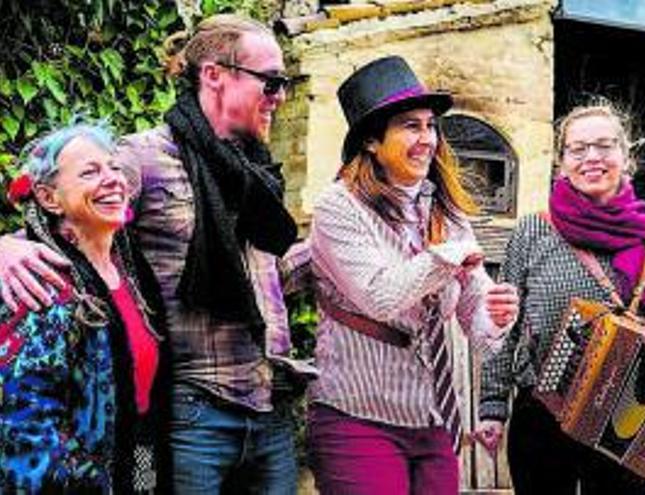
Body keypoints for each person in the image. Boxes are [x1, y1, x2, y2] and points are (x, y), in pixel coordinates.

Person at [0, 14, 306, 494]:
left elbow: (264, 277)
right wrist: (3, 248)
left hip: (267, 408)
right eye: (270, 82)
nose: (280, 96)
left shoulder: (257, 174)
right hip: (196, 414)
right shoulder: (142, 159)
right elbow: (65, 216)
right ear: (214, 75)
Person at [475, 104, 645, 494]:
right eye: (578, 150)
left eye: (604, 146)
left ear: (625, 157)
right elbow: (503, 325)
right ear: (561, 163)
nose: (592, 158)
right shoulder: (533, 232)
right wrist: (492, 406)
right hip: (542, 415)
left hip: (626, 425)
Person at [306, 55, 519, 495]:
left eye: (430, 126)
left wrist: (494, 315)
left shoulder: (441, 206)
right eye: (410, 126)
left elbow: (473, 316)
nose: (427, 139)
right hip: (357, 417)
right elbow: (381, 296)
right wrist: (447, 257)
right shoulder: (338, 208)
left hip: (431, 417)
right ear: (370, 141)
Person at [0, 123, 170, 493]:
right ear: (49, 198)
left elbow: (143, 409)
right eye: (90, 172)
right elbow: (26, 424)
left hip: (137, 457)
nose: (112, 180)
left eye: (113, 167)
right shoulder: (41, 283)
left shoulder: (130, 272)